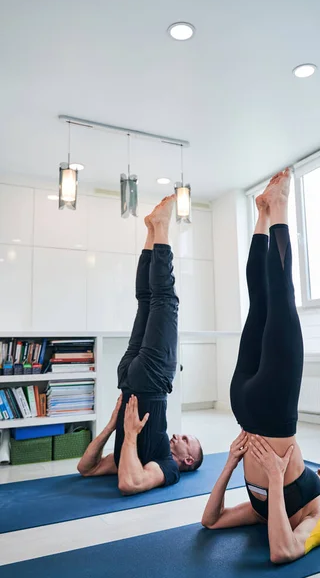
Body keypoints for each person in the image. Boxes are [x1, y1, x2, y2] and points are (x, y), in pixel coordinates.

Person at [202, 170, 320, 563]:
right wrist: (272, 485)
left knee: (280, 296)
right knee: (262, 300)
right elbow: (218, 523)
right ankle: (263, 213)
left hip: (265, 410)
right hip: (250, 405)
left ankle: (281, 205)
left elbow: (277, 550)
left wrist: (234, 468)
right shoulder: (276, 512)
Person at [77, 195, 203, 494]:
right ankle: (151, 233)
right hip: (133, 378)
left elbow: (122, 481)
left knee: (165, 301)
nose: (181, 437)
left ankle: (160, 227)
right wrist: (122, 433)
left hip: (150, 379)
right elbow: (91, 469)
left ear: (187, 461)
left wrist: (116, 429)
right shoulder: (135, 457)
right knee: (147, 301)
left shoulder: (167, 467)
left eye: (188, 442)